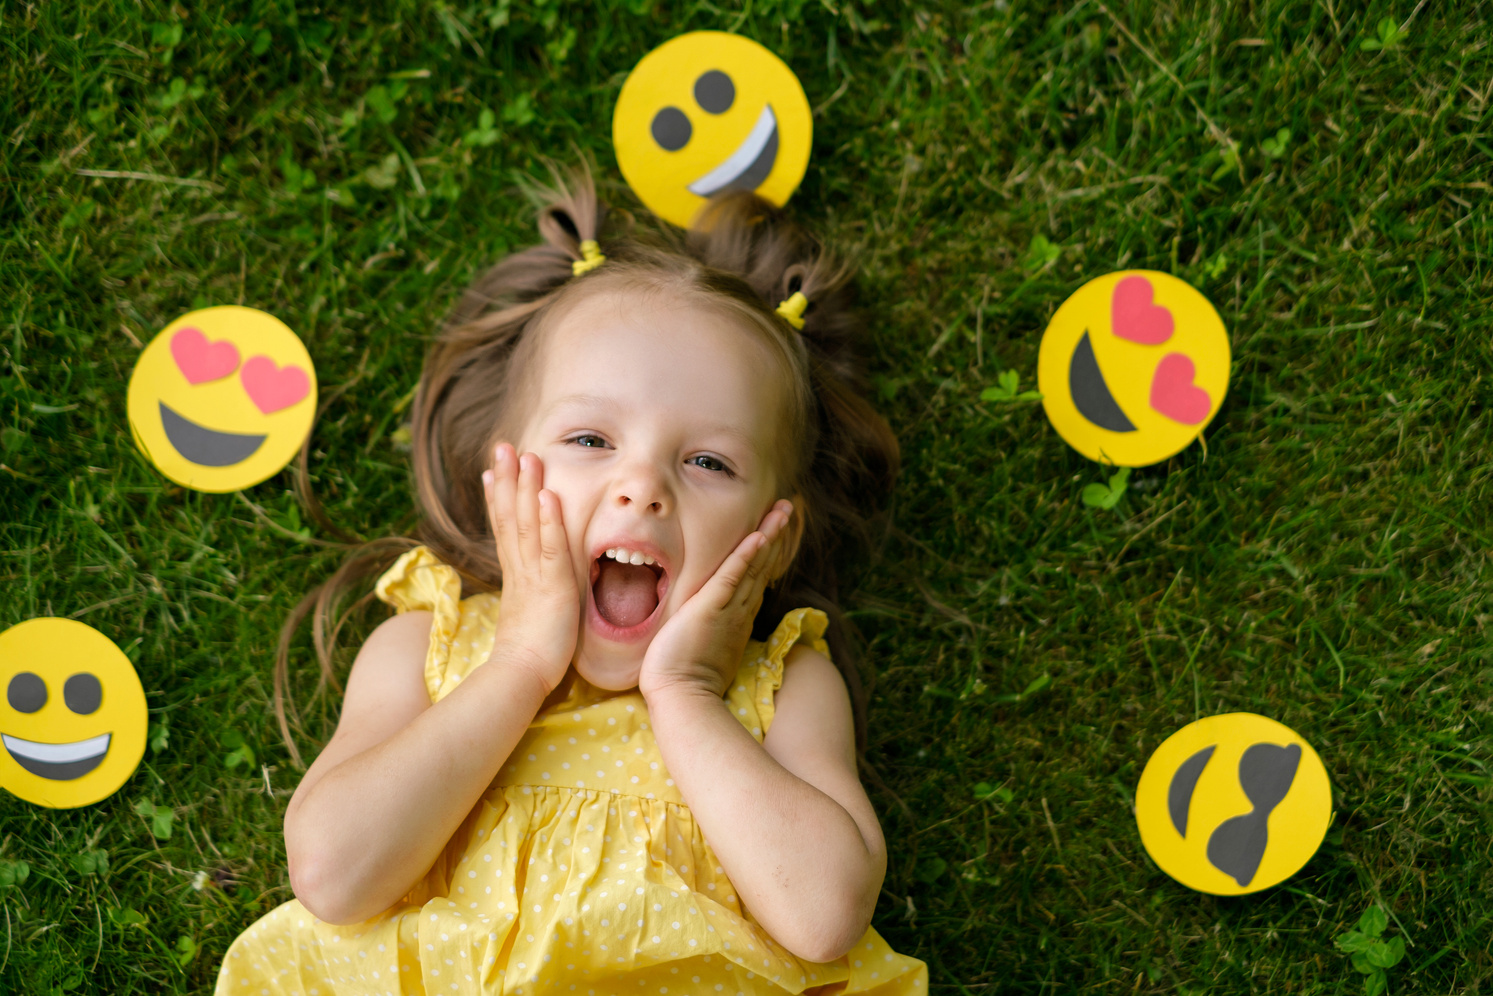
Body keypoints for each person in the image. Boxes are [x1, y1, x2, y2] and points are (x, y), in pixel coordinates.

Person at [216, 165, 928, 995]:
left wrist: (690, 693)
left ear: (772, 537)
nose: (642, 485)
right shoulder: (429, 645)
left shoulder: (780, 687)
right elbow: (335, 875)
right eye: (590, 440)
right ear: (505, 475)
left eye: (707, 461)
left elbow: (824, 915)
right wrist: (518, 663)